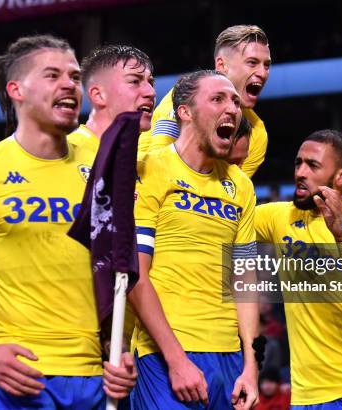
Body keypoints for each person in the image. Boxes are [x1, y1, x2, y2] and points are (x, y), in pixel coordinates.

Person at [0, 43, 156, 409]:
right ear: (17, 90)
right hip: (20, 378)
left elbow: (110, 267)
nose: (69, 85)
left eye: (74, 76)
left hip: (95, 377)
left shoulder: (113, 166)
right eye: (54, 75)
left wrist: (118, 348)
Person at [129, 70, 259, 409]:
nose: (232, 108)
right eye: (217, 99)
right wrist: (176, 360)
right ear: (184, 112)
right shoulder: (150, 168)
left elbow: (245, 282)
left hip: (230, 359)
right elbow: (135, 275)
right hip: (164, 354)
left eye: (234, 100)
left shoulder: (241, 186)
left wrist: (251, 366)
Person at [255, 129, 342, 409]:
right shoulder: (279, 216)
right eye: (298, 163)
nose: (300, 172)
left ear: (341, 176)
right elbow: (223, 218)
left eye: (313, 165)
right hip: (307, 396)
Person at [139, 25, 271, 178]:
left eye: (266, 65)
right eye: (252, 63)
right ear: (222, 66)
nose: (263, 73)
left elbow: (235, 192)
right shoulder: (188, 95)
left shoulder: (258, 134)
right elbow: (156, 166)